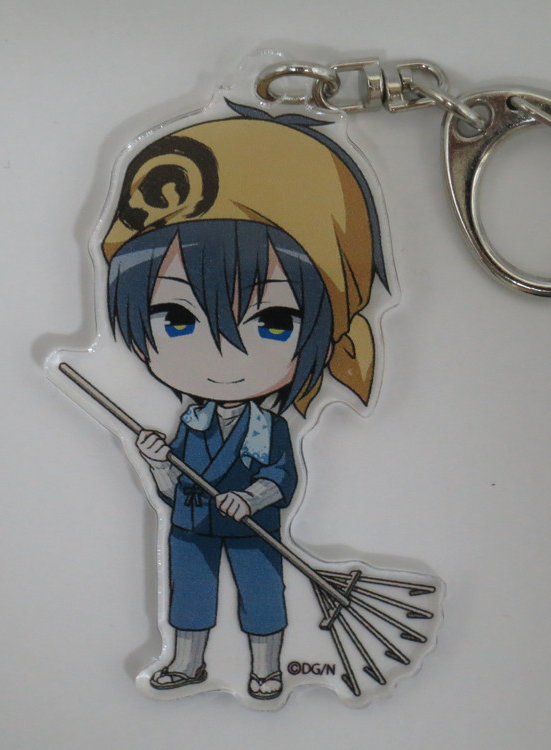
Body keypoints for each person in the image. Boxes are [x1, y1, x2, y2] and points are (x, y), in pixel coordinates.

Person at [101, 102, 388, 700]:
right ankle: (187, 663)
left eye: (274, 321)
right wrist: (158, 460)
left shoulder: (269, 426)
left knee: (262, 597)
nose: (223, 356)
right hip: (191, 527)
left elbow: (282, 477)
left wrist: (250, 496)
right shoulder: (192, 420)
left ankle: (266, 669)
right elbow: (170, 487)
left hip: (253, 528)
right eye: (176, 318)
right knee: (190, 597)